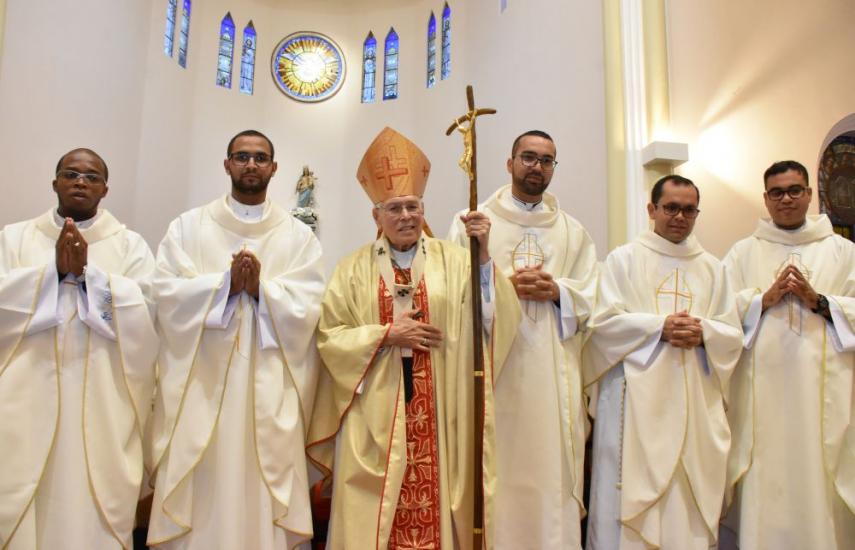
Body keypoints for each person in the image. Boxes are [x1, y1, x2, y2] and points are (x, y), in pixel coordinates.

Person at [306, 127, 520, 549]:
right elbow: (331, 337)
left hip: (442, 410)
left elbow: (494, 318)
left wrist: (483, 258)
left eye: (413, 206)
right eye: (395, 208)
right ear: (376, 216)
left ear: (423, 210)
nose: (405, 215)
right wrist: (386, 334)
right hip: (375, 417)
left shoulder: (456, 261)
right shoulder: (352, 269)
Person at [147, 130, 325, 549]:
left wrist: (265, 290)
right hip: (201, 386)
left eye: (260, 158)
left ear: (274, 169)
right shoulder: (188, 227)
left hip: (270, 384)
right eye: (242, 156)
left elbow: (312, 305)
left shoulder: (298, 237)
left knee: (264, 477)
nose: (251, 165)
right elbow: (164, 294)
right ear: (226, 164)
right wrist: (223, 287)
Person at [0, 148, 158, 549]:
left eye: (91, 177)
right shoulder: (14, 238)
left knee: (92, 498)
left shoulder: (131, 246)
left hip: (103, 402)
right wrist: (51, 273)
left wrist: (91, 278)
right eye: (71, 174)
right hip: (26, 396)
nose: (81, 182)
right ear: (55, 182)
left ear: (105, 189)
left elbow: (148, 311)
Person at [447, 130, 597, 549]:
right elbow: (451, 294)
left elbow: (594, 299)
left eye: (547, 160)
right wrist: (500, 284)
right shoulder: (472, 222)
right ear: (510, 163)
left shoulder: (573, 232)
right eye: (528, 158)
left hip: (553, 376)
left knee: (551, 473)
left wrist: (559, 292)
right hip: (496, 370)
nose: (537, 166)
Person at [583, 175, 742, 550]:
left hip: (694, 409)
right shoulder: (623, 260)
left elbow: (732, 334)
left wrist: (705, 333)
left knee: (686, 503)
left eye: (689, 210)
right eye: (671, 207)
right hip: (634, 406)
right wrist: (659, 327)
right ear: (652, 209)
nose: (680, 217)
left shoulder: (714, 269)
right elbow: (601, 327)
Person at [720, 160, 855, 549]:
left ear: (810, 194)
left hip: (824, 398)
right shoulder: (743, 253)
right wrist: (762, 300)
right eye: (777, 192)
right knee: (767, 472)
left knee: (820, 477)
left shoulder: (842, 252)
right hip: (762, 396)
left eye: (795, 190)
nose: (786, 199)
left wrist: (821, 301)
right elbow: (719, 313)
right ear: (765, 198)